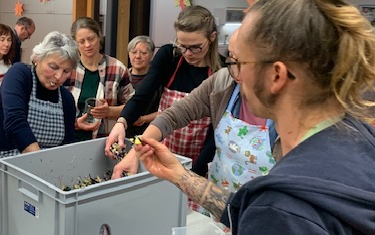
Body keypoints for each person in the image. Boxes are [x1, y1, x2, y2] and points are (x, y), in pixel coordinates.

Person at [134, 0, 375, 235]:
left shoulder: (282, 210)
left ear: (276, 76)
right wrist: (179, 174)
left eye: (238, 62)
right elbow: (252, 210)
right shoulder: (370, 143)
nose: (233, 73)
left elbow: (274, 214)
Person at [113, 30, 278, 195]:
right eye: (231, 59)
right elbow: (174, 114)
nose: (234, 71)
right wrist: (135, 151)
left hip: (262, 203)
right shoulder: (223, 81)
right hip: (217, 193)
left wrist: (189, 174)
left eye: (241, 62)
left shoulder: (285, 112)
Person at [0, 31, 86, 232]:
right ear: (37, 58)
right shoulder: (19, 75)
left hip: (46, 178)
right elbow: (15, 123)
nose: (59, 77)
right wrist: (41, 169)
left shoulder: (66, 99)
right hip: (8, 172)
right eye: (53, 67)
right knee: (4, 234)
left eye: (66, 71)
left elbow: (66, 146)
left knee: (38, 234)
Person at [107, 5, 224, 173]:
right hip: (161, 151)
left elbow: (216, 132)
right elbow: (142, 96)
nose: (187, 53)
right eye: (182, 46)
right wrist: (122, 122)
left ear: (212, 37)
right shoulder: (170, 56)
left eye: (195, 47)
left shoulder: (222, 72)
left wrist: (195, 172)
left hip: (199, 158)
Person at [65, 17, 134, 141]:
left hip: (105, 140)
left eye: (91, 39)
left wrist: (109, 111)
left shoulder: (117, 68)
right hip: (72, 139)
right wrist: (75, 122)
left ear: (99, 36)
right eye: (82, 41)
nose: (87, 45)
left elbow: (132, 106)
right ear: (76, 43)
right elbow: (57, 106)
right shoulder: (68, 68)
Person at [126, 35, 160, 138]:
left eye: (144, 53)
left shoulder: (158, 79)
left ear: (151, 55)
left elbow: (166, 110)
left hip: (151, 133)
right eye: (133, 52)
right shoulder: (122, 77)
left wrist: (143, 119)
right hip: (124, 132)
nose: (138, 56)